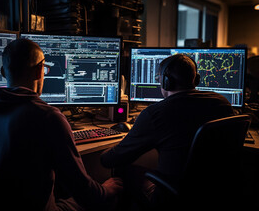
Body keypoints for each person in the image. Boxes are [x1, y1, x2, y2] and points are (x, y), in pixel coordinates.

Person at [0, 38, 123, 211]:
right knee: (108, 198)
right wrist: (106, 189)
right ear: (40, 70)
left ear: (3, 71)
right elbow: (84, 192)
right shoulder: (47, 117)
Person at [100, 54, 235, 210]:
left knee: (122, 170)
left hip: (172, 198)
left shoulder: (156, 113)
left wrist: (109, 149)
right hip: (214, 193)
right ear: (196, 79)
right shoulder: (222, 104)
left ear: (165, 81)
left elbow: (110, 160)